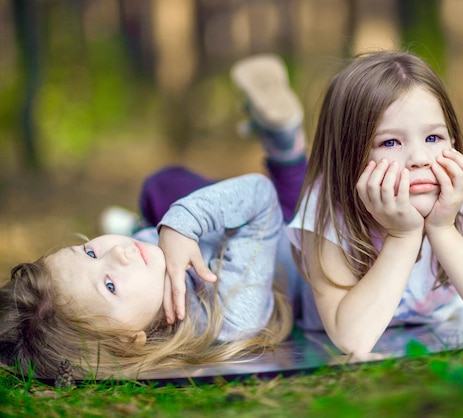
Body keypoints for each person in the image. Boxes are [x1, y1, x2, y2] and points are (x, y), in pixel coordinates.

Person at [0, 54, 307, 380]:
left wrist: (164, 230)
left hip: (215, 235)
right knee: (293, 213)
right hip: (276, 232)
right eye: (109, 285)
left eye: (90, 251)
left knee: (160, 187)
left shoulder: (144, 278)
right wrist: (183, 222)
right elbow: (261, 198)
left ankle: (139, 224)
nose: (117, 252)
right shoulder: (233, 314)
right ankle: (285, 140)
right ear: (130, 343)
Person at [285, 51, 463, 354]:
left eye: (433, 138)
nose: (419, 159)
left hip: (428, 326)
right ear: (349, 156)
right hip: (298, 281)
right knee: (278, 249)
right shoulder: (326, 212)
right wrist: (404, 236)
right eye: (390, 142)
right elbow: (352, 340)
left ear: (454, 140)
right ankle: (283, 143)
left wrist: (443, 228)